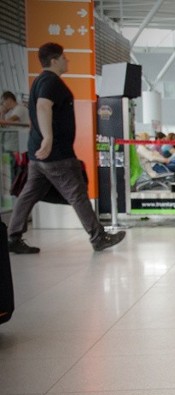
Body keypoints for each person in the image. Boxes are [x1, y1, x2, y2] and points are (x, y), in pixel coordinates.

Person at [7, 43, 125, 254]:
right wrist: (48, 138)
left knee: (29, 194)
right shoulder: (51, 81)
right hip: (56, 154)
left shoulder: (40, 81)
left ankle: (13, 236)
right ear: (54, 60)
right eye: (64, 58)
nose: (67, 61)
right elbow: (43, 106)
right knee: (77, 193)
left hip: (38, 153)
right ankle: (98, 236)